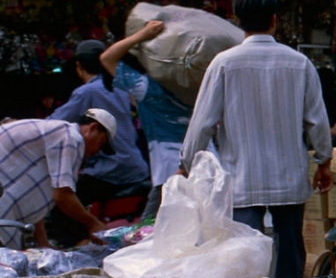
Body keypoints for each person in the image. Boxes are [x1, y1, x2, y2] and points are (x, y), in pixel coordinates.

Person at [180, 0, 332, 278]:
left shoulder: (224, 63)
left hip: (241, 177)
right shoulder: (298, 63)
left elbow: (202, 124)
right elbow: (317, 120)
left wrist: (187, 163)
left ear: (240, 21)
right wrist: (324, 161)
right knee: (290, 249)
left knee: (245, 253)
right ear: (275, 20)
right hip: (289, 176)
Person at [99, 19, 192, 218]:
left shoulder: (149, 89)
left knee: (151, 229)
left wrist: (142, 35)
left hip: (169, 170)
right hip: (204, 163)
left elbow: (108, 58)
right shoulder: (195, 85)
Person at [50, 39, 150, 210]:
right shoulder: (121, 88)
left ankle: (77, 236)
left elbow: (52, 125)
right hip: (136, 165)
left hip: (111, 169)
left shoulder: (86, 92)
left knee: (60, 198)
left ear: (79, 65)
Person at [0, 110, 114, 247]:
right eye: (101, 144)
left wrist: (43, 242)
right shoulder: (71, 137)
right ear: (93, 128)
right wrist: (94, 224)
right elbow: (62, 196)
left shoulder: (57, 134)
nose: (97, 151)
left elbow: (36, 195)